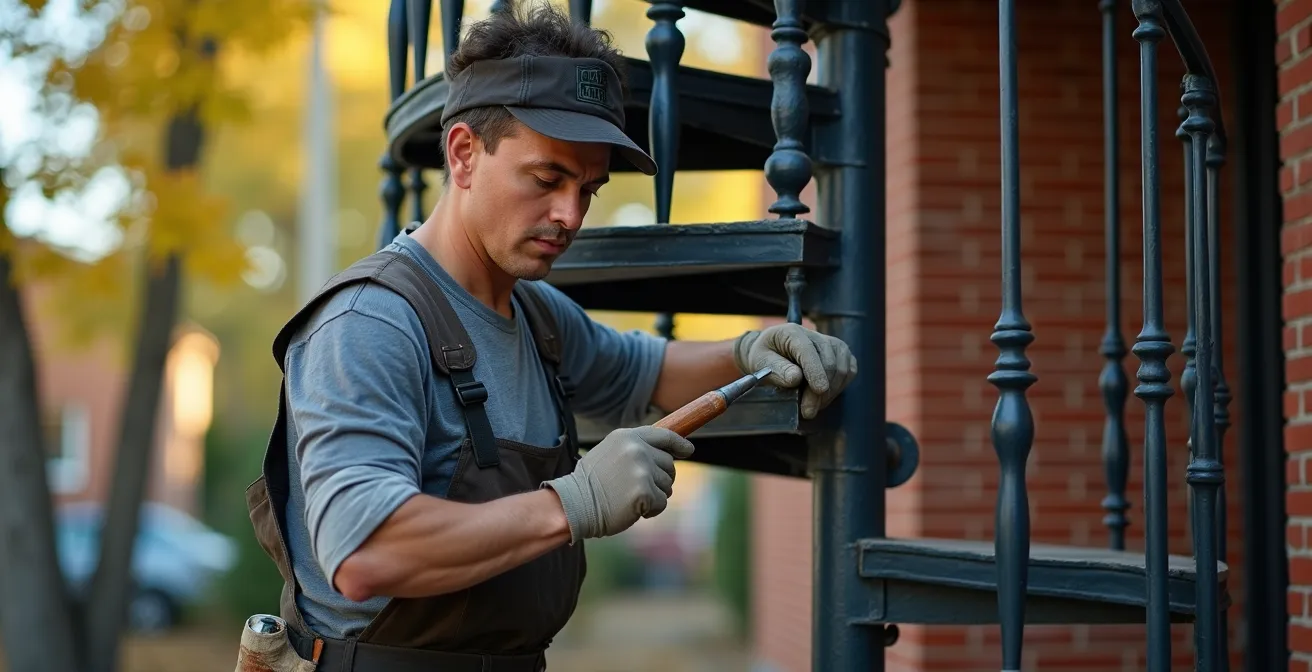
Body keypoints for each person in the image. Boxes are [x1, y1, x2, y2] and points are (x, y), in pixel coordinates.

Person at [245, 3, 857, 670]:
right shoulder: (369, 323)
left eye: (588, 189)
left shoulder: (535, 314)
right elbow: (365, 553)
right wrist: (573, 502)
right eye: (546, 179)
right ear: (463, 153)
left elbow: (641, 373)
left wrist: (751, 352)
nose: (569, 215)